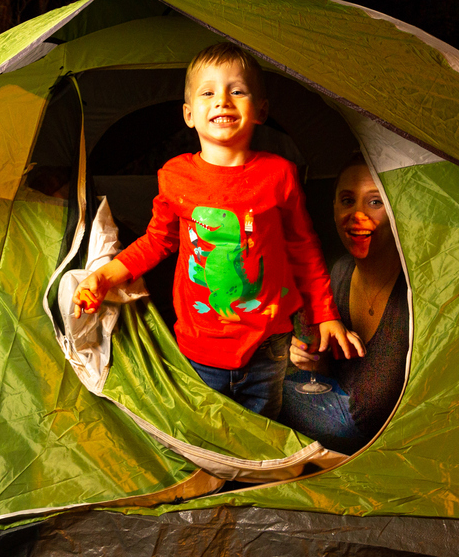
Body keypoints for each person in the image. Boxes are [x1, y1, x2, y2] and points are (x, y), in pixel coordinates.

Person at [72, 43, 362, 418]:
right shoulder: (175, 176)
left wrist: (326, 314)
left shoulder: (280, 174)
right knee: (207, 434)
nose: (222, 100)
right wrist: (104, 277)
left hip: (267, 345)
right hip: (199, 344)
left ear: (261, 110)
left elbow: (303, 249)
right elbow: (158, 240)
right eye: (208, 92)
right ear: (189, 114)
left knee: (260, 436)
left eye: (236, 91)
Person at [283, 155, 408, 453]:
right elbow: (331, 372)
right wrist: (312, 358)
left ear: (396, 209)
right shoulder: (340, 271)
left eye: (375, 202)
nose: (357, 215)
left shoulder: (415, 289)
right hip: (333, 425)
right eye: (348, 201)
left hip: (383, 445)